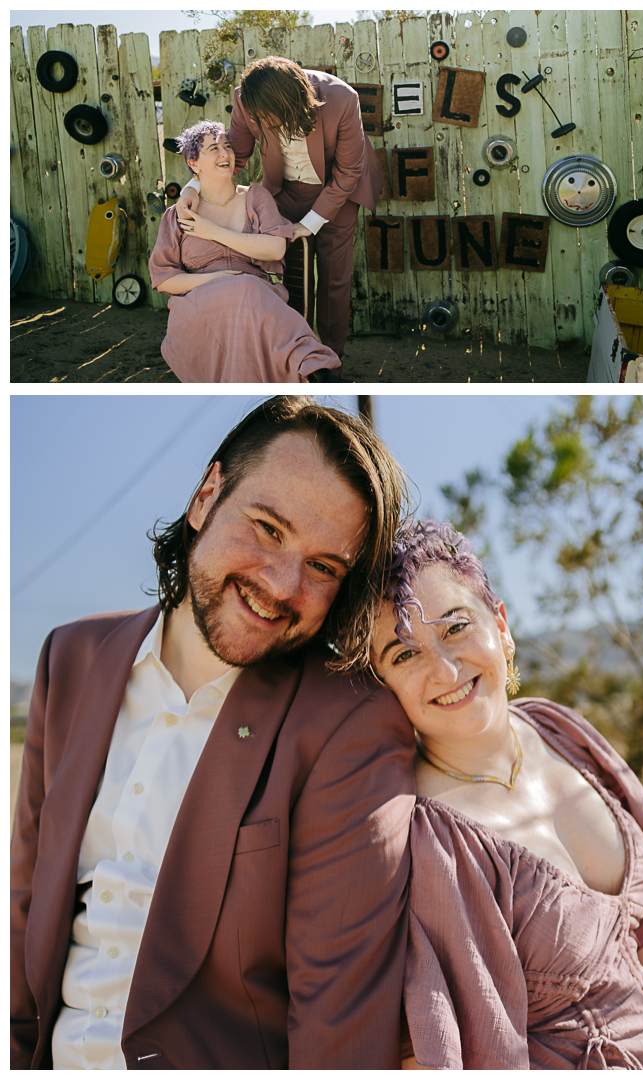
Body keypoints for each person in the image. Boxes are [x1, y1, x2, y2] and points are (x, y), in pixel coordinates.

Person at [10, 397, 417, 1070]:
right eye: (267, 528)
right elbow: (25, 917)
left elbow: (338, 1027)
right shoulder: (69, 659)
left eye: (323, 567)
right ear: (206, 496)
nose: (281, 584)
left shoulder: (349, 724)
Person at [365, 519, 643, 1070]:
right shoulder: (432, 840)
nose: (445, 670)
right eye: (404, 655)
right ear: (383, 686)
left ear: (500, 625)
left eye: (456, 628)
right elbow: (453, 1048)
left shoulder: (560, 729)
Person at [176, 58, 385, 362]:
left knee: (334, 280)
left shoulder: (342, 98)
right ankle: (289, 356)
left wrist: (311, 222)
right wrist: (193, 188)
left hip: (338, 192)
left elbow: (349, 171)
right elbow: (236, 156)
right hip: (284, 192)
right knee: (281, 275)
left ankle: (331, 361)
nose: (265, 124)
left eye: (271, 117)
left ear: (291, 102)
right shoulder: (245, 98)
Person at [149, 121, 342, 382]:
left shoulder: (255, 197)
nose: (224, 154)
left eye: (227, 147)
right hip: (200, 305)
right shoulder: (178, 215)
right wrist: (217, 279)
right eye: (214, 148)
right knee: (244, 288)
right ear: (194, 164)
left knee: (248, 289)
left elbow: (275, 248)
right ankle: (315, 368)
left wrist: (212, 231)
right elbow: (164, 279)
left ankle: (316, 372)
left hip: (257, 298)